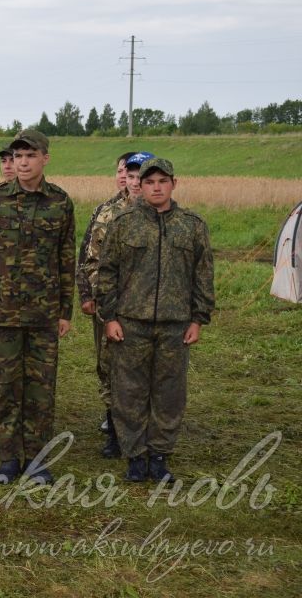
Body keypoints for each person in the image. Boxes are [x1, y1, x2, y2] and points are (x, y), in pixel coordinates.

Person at [97, 157, 215, 483]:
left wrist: (198, 319)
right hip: (131, 323)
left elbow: (203, 276)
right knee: (129, 391)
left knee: (170, 392)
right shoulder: (124, 223)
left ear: (173, 184)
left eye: (163, 181)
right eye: (150, 182)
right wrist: (109, 317)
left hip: (175, 325)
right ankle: (135, 455)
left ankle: (159, 454)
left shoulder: (192, 225)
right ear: (140, 186)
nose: (156, 187)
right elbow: (107, 273)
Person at [0, 129, 75, 485]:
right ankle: (7, 459)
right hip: (3, 312)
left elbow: (66, 258)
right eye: (17, 156)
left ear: (45, 158)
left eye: (30, 155)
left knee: (41, 389)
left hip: (45, 315)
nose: (23, 162)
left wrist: (65, 310)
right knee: (3, 386)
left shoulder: (60, 202)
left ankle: (37, 459)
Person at [76, 151, 148, 457]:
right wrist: (93, 296)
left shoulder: (163, 213)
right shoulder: (106, 212)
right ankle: (115, 430)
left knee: (143, 370)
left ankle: (142, 433)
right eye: (129, 175)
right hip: (110, 307)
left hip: (147, 310)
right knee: (108, 367)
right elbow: (90, 259)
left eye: (139, 176)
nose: (132, 182)